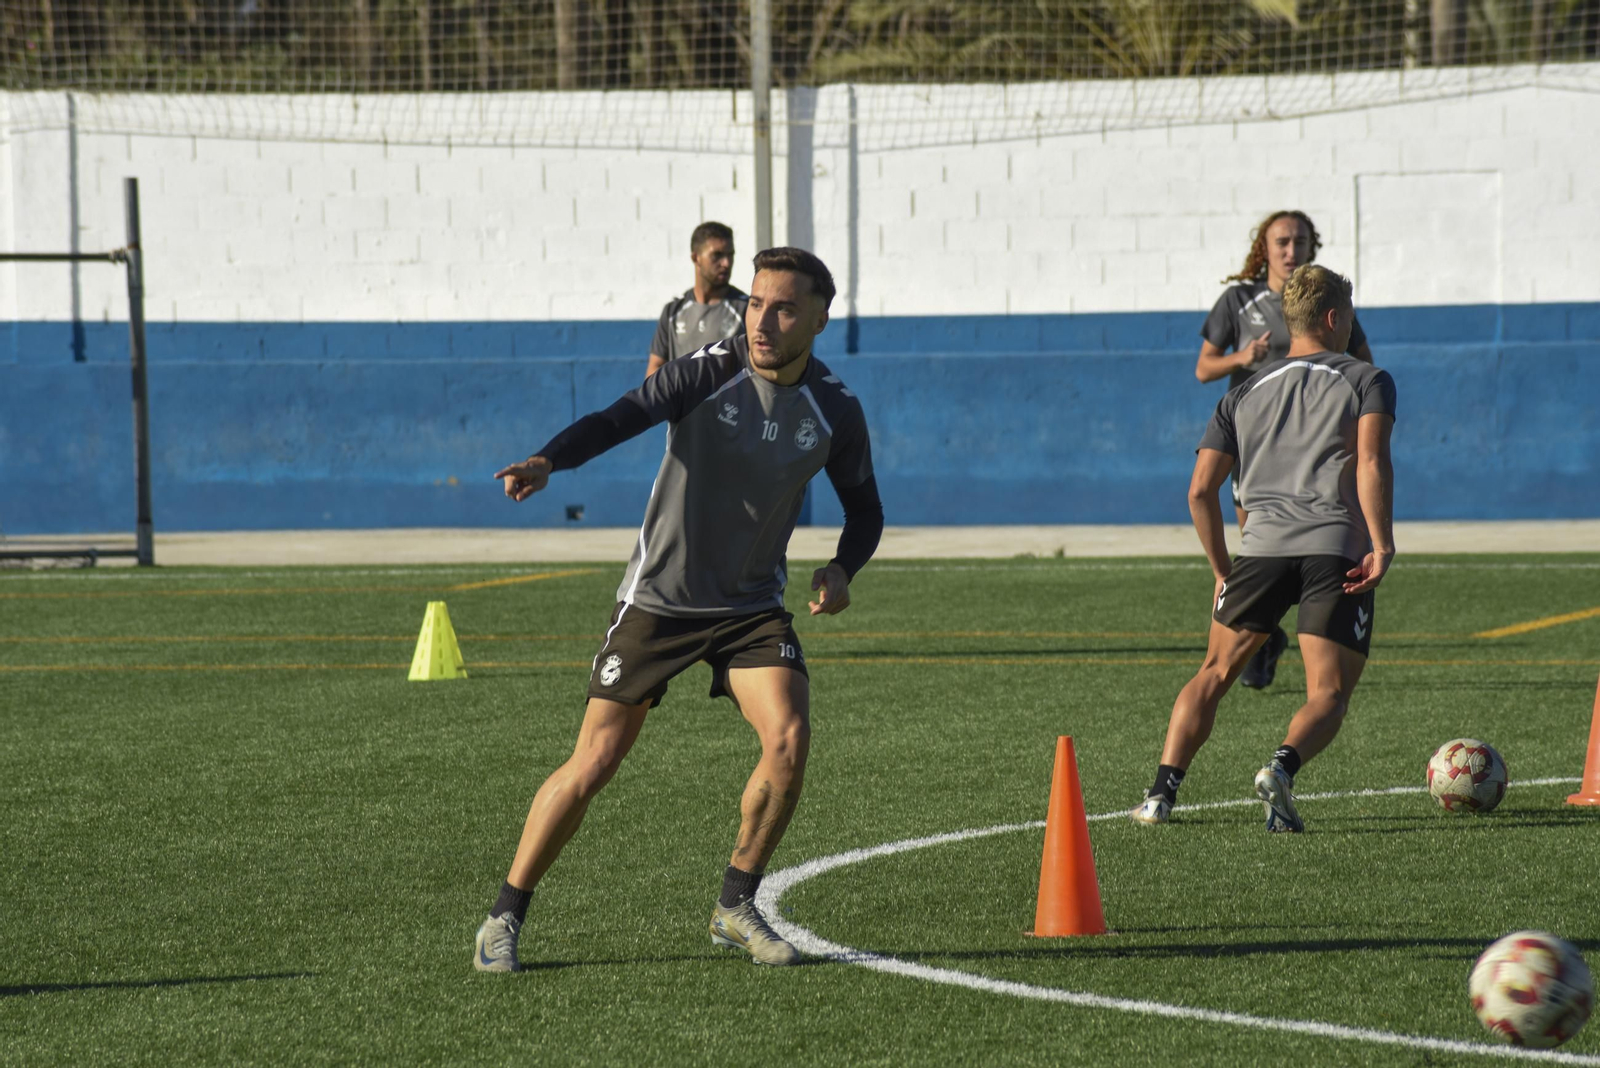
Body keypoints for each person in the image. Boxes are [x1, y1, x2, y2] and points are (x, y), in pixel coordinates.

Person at [475, 247, 882, 971]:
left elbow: (867, 511)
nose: (764, 320)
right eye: (757, 303)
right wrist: (548, 460)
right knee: (594, 761)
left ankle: (736, 905)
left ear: (819, 318)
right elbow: (617, 418)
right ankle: (503, 916)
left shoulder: (836, 410)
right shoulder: (707, 372)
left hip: (751, 606)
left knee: (788, 737)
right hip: (660, 600)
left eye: (784, 307)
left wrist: (844, 568)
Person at [1133, 264, 1396, 834]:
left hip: (1259, 550)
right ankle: (1281, 767)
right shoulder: (1366, 379)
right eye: (1349, 314)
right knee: (1327, 692)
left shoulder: (1248, 388)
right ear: (1334, 318)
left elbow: (1200, 490)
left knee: (1213, 673)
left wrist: (1222, 570)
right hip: (1336, 548)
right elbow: (1372, 462)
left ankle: (1160, 796)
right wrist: (1382, 544)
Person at [1195, 209, 1376, 690]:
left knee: (1294, 547)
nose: (1291, 250)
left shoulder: (1325, 299)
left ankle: (1292, 637)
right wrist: (1242, 358)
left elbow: (1362, 364)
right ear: (1265, 248)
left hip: (1312, 447)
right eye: (1282, 242)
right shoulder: (1239, 301)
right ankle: (1263, 635)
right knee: (1261, 545)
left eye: (1299, 241)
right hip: (1259, 445)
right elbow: (1204, 368)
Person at [646, 221, 748, 377]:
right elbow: (655, 368)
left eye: (730, 255)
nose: (726, 263)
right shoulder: (673, 311)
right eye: (717, 255)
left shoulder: (747, 309)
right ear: (696, 258)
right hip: (682, 402)